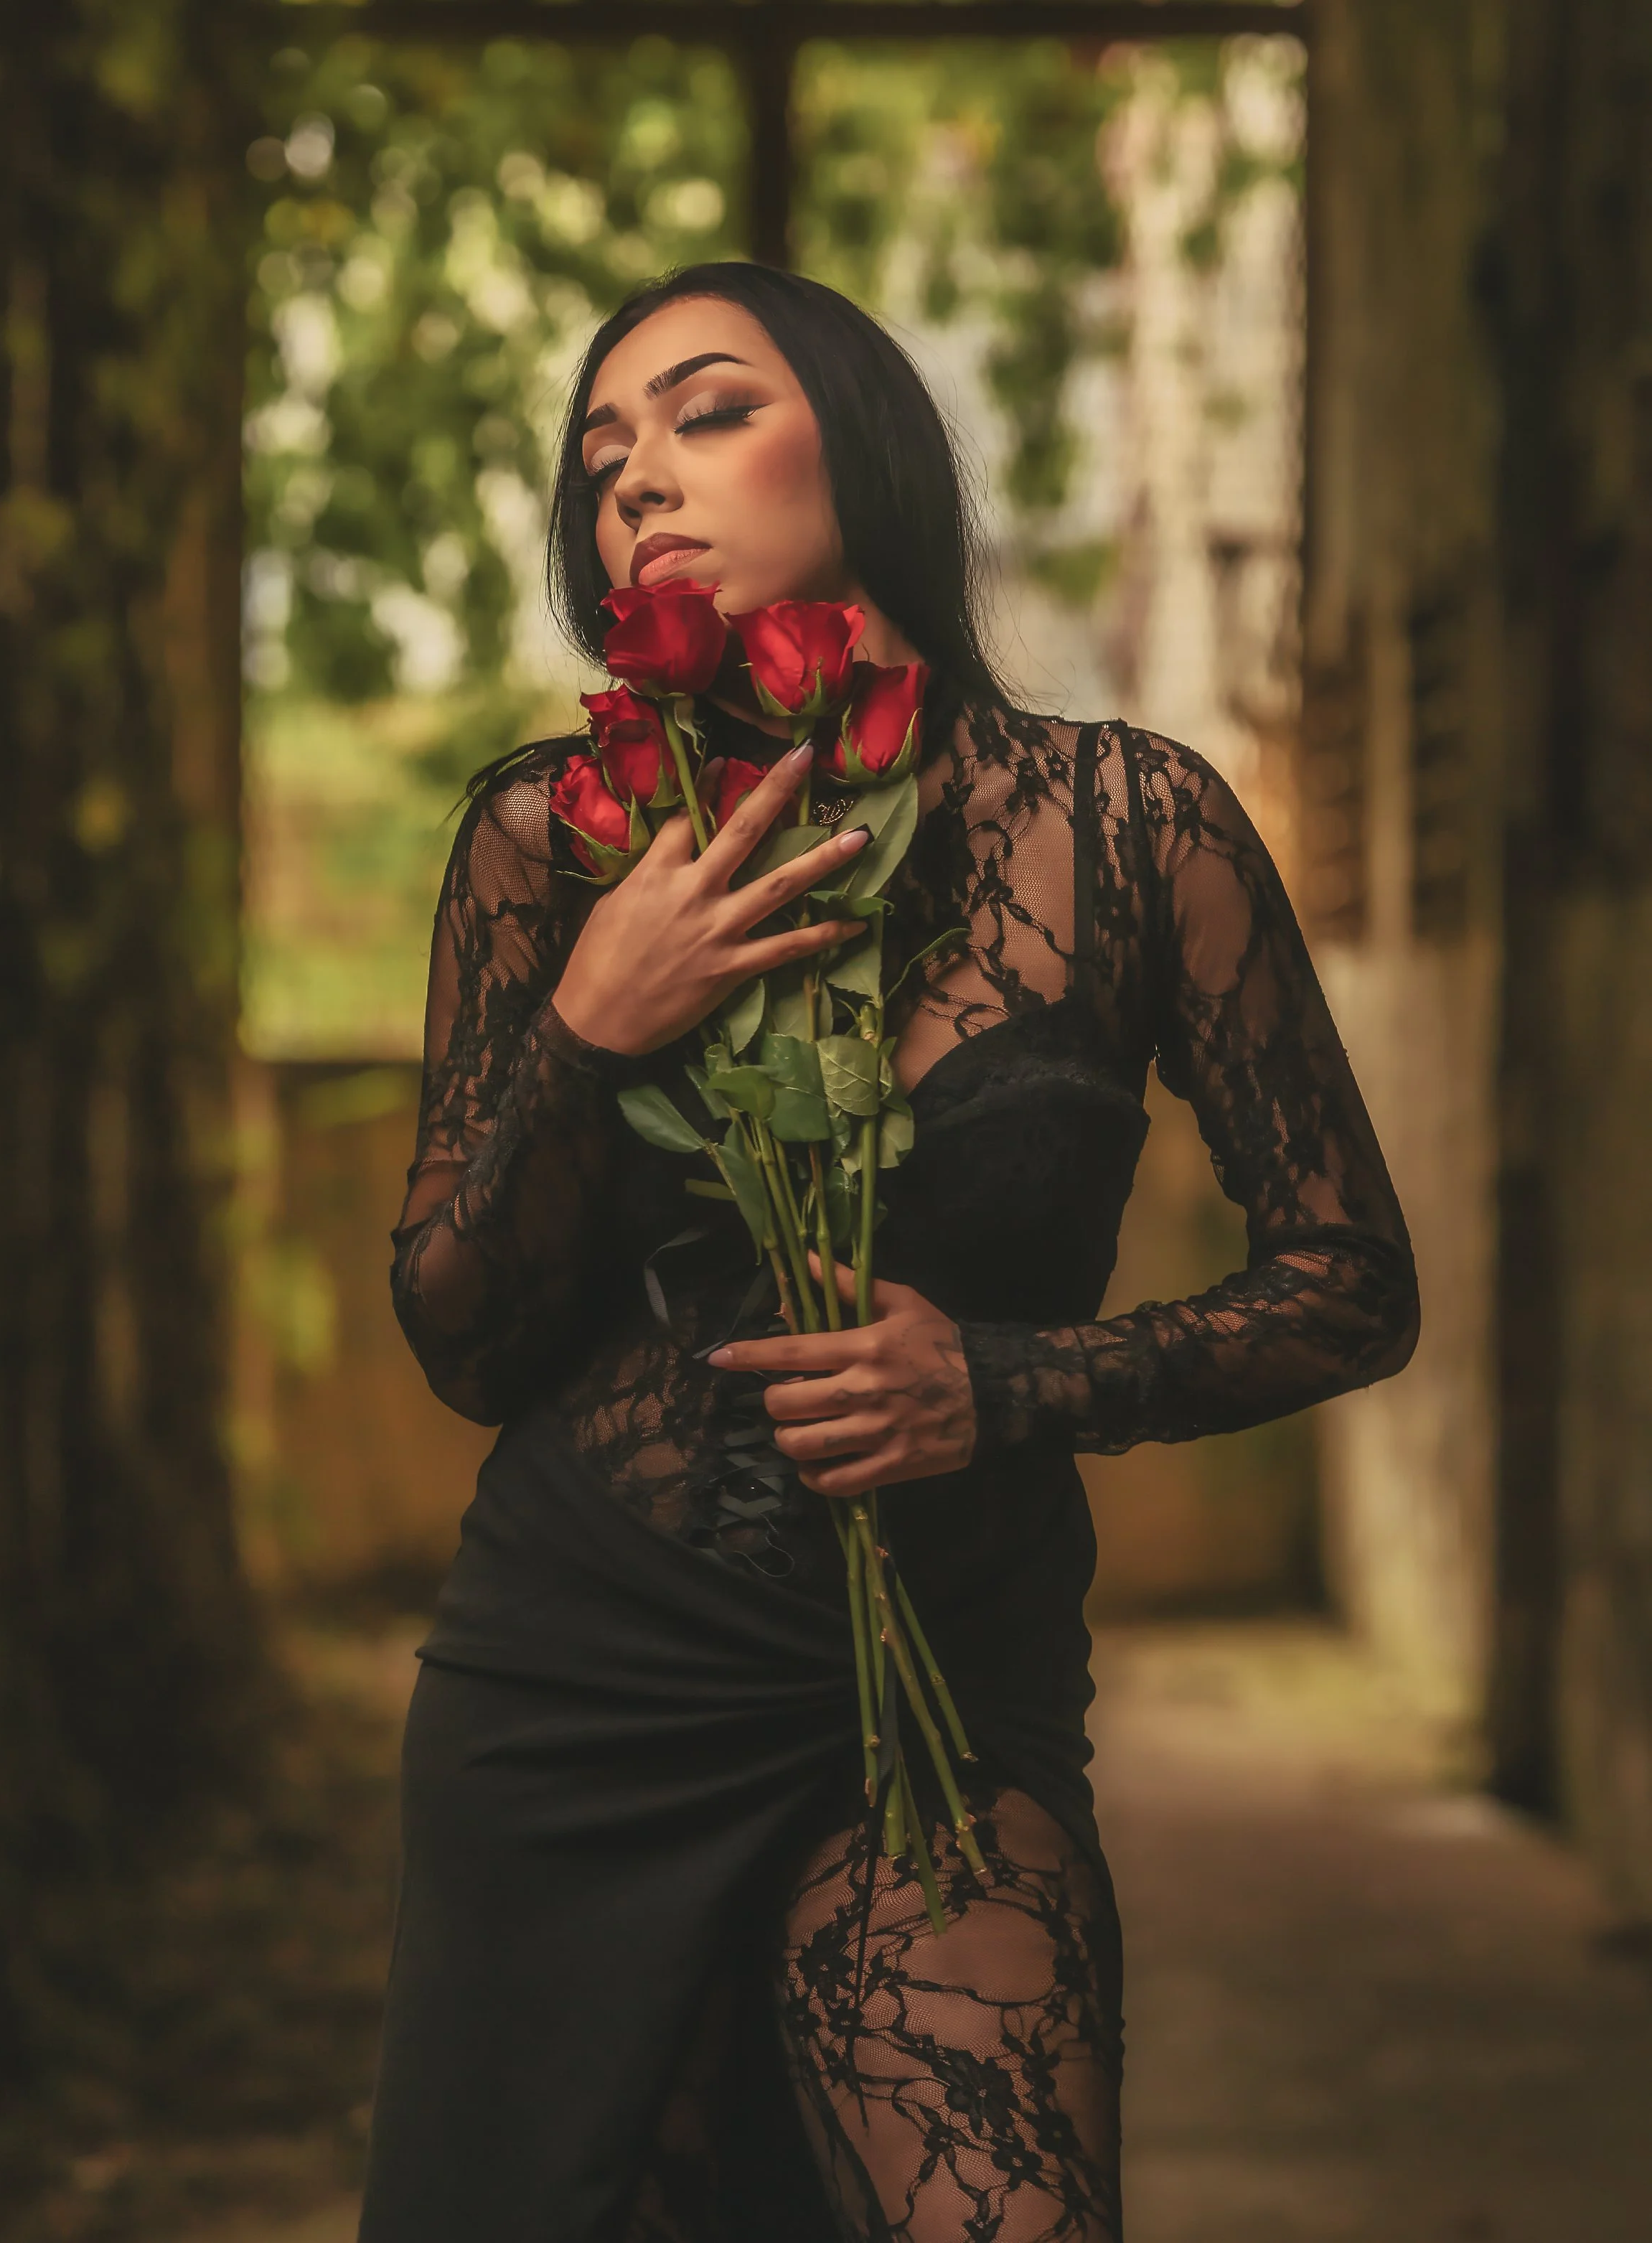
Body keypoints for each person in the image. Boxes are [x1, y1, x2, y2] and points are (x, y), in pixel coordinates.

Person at [358, 263, 1419, 2243]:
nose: (636, 482)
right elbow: (460, 1327)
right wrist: (596, 1028)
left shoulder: (1126, 827)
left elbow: (1349, 1277)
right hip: (575, 1688)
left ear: (864, 443)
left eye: (703, 412)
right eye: (600, 456)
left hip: (937, 1688)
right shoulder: (552, 839)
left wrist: (1000, 1382)